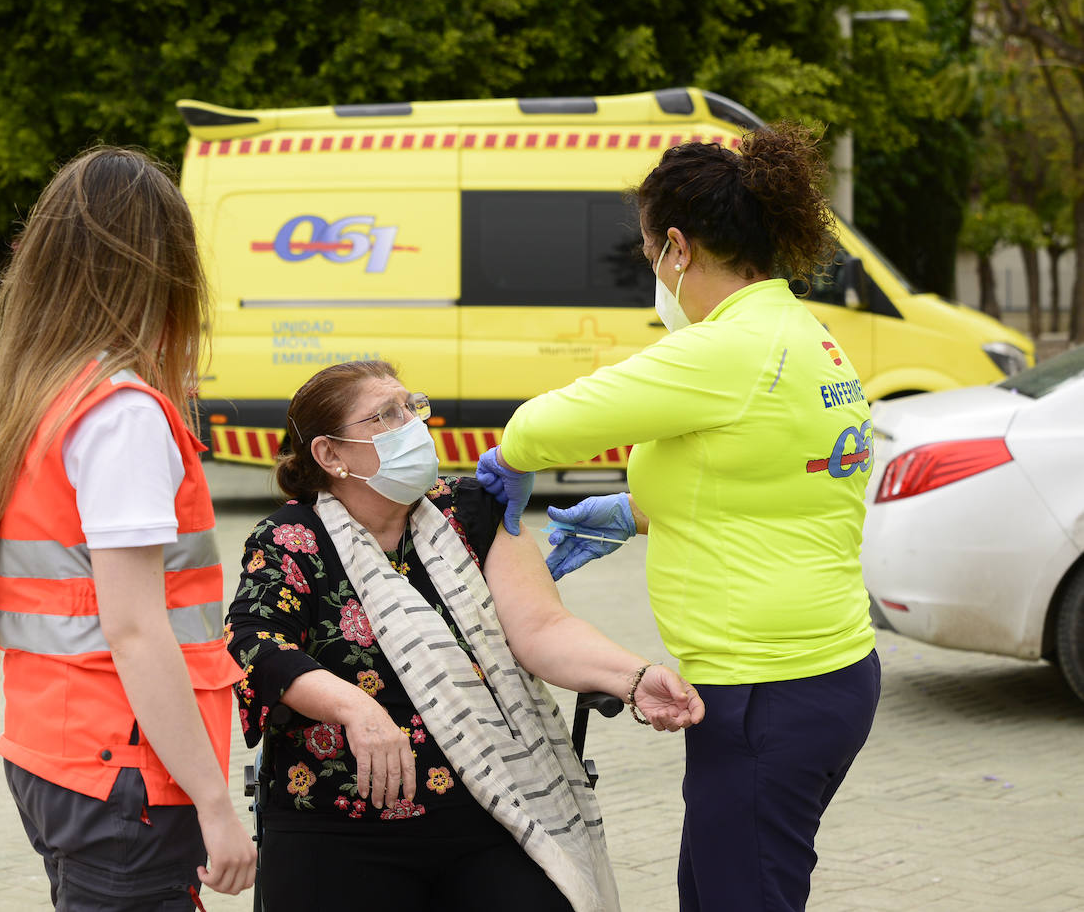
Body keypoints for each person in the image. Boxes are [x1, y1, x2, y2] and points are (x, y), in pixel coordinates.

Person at [476, 123, 882, 912]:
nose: (652, 273)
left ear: (677, 247)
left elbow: (541, 426)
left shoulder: (729, 349)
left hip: (768, 689)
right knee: (711, 889)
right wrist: (636, 510)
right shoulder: (803, 333)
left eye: (647, 254)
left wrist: (510, 465)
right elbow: (775, 478)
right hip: (816, 676)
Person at [227, 359, 704, 912]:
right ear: (331, 455)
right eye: (384, 416)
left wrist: (634, 677)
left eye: (412, 407)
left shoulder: (473, 510)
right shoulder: (290, 540)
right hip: (338, 820)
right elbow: (255, 644)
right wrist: (356, 708)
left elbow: (542, 629)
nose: (411, 425)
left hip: (490, 806)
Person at [0, 146, 255, 910]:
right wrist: (216, 804)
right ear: (165, 270)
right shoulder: (121, 415)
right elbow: (134, 628)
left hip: (52, 752)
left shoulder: (40, 395)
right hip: (125, 770)